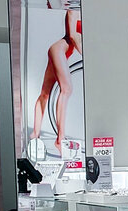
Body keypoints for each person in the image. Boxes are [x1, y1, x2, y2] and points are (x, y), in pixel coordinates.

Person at [30, 7, 82, 154]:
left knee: (45, 93)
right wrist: (86, 53)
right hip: (59, 50)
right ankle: (60, 139)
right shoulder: (73, 10)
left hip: (62, 52)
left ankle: (35, 134)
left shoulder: (86, 11)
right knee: (66, 89)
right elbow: (72, 36)